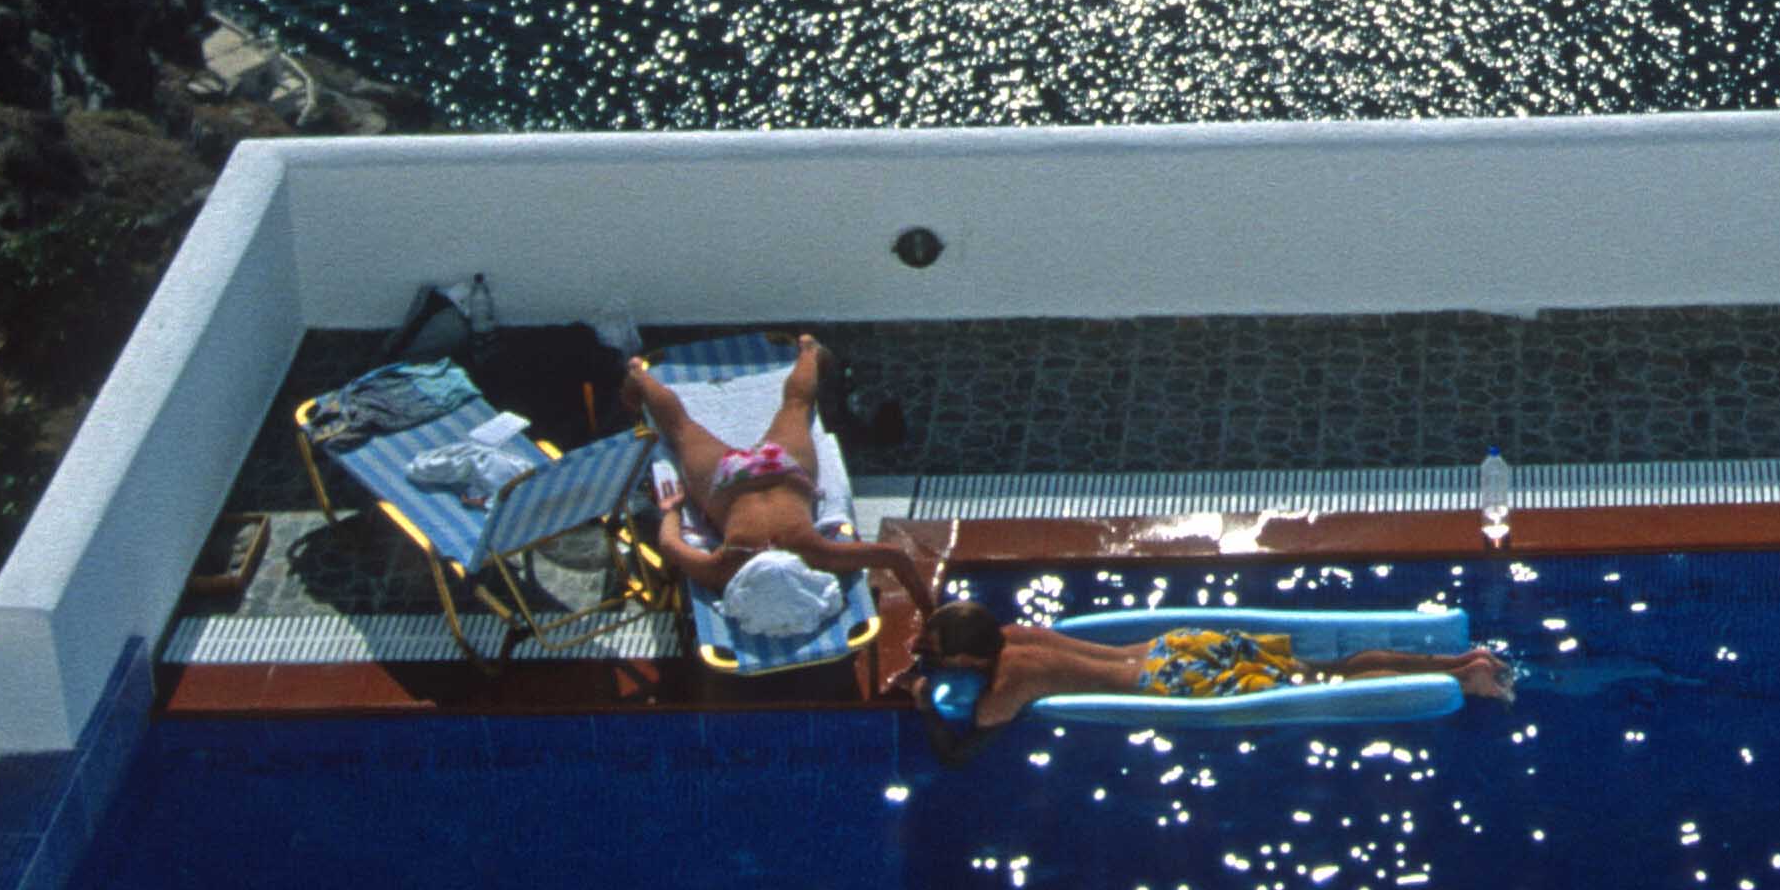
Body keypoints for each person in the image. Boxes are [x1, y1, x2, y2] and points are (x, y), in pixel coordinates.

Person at [879, 538, 1512, 753]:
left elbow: (959, 750)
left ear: (966, 658)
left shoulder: (1009, 685)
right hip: (1180, 645)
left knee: (1329, 685)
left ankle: (1466, 681)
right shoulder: (1012, 634)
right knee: (1322, 670)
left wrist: (921, 696)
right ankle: (1458, 661)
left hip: (1171, 684)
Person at [629, 337, 918, 632]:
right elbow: (669, 543)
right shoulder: (724, 568)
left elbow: (895, 557)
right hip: (729, 481)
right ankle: (639, 373)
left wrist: (927, 606)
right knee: (681, 427)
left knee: (793, 406)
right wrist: (672, 509)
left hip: (783, 470)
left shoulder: (816, 553)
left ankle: (808, 351)